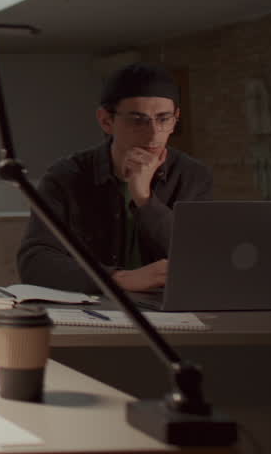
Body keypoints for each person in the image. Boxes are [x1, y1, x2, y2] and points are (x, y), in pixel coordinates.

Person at [17, 63, 213, 294]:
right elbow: (35, 263)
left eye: (163, 119)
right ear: (106, 121)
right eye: (138, 120)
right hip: (94, 308)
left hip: (170, 310)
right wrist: (118, 280)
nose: (153, 134)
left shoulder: (192, 175)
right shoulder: (65, 176)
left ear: (175, 118)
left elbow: (199, 259)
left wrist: (144, 199)